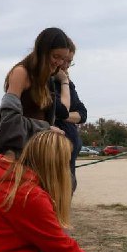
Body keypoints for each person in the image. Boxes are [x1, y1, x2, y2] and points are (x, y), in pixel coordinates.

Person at [0, 27, 68, 159]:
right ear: (42, 52)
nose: (59, 63)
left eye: (63, 59)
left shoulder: (48, 79)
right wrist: (47, 129)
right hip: (17, 158)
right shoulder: (21, 73)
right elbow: (9, 122)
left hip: (38, 155)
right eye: (55, 56)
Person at [53, 38, 88, 194]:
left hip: (70, 163)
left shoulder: (67, 82)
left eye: (70, 61)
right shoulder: (47, 83)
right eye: (63, 60)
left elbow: (82, 113)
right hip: (54, 158)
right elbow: (61, 109)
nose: (66, 66)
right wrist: (64, 82)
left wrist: (63, 116)